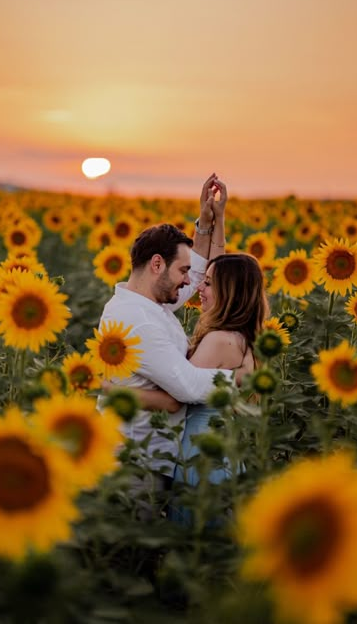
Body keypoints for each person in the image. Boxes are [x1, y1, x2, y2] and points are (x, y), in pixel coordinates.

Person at [97, 173, 245, 503]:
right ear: (157, 264)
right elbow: (187, 387)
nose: (188, 282)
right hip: (134, 466)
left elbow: (199, 275)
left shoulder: (147, 303)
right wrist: (241, 378)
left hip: (149, 460)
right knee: (133, 553)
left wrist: (206, 222)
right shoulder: (137, 321)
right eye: (180, 271)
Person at [169, 251, 269, 522]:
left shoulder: (220, 340)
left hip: (200, 452)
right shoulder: (241, 337)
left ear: (230, 291)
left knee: (195, 541)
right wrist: (214, 221)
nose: (199, 287)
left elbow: (179, 391)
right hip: (219, 446)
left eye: (209, 283)